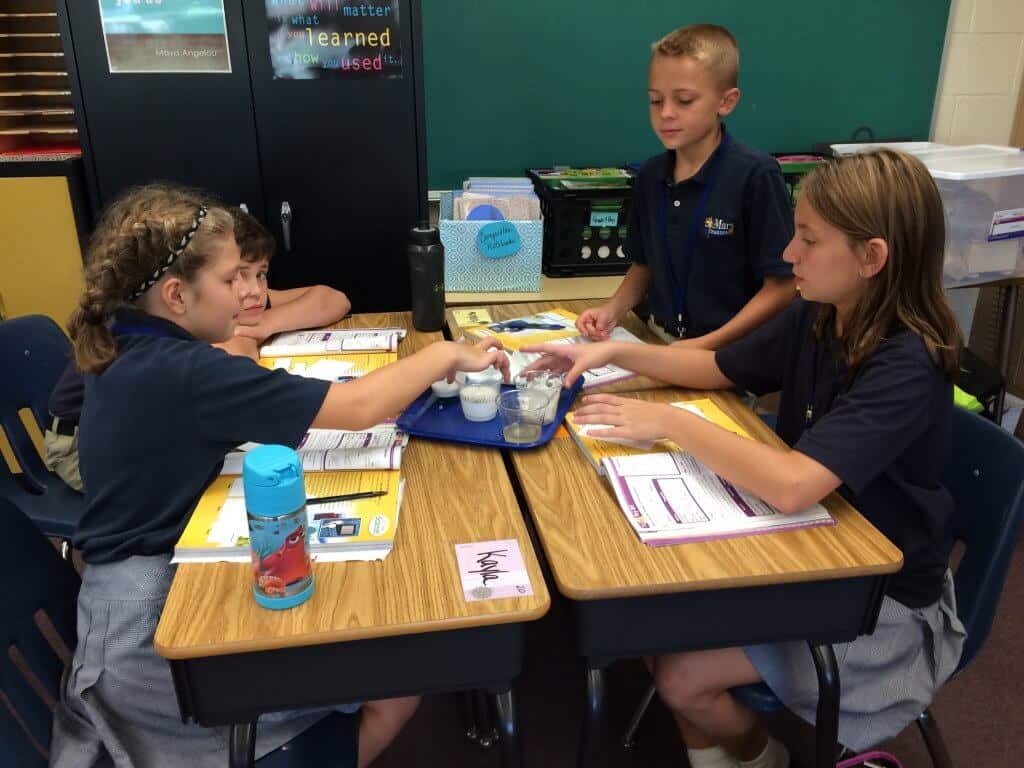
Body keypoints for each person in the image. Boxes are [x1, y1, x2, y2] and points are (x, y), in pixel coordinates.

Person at [525, 150, 966, 768]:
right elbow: (716, 366)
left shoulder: (907, 364)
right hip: (811, 549)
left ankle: (765, 755)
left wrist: (671, 423)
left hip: (877, 597)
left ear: (871, 258)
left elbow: (793, 485)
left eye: (808, 239)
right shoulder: (822, 313)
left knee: (680, 675)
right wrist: (609, 356)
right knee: (653, 623)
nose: (788, 254)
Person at [49, 183, 508, 768]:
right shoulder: (185, 372)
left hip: (142, 589)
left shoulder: (129, 340)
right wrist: (445, 355)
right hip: (147, 636)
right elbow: (358, 408)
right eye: (230, 279)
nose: (247, 293)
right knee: (395, 690)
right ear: (176, 295)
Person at [576, 24, 795, 348]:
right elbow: (644, 264)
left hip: (731, 353)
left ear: (727, 102)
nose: (666, 113)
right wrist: (612, 309)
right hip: (660, 339)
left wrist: (704, 346)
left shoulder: (756, 176)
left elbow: (781, 287)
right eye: (655, 100)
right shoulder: (650, 176)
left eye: (684, 100)